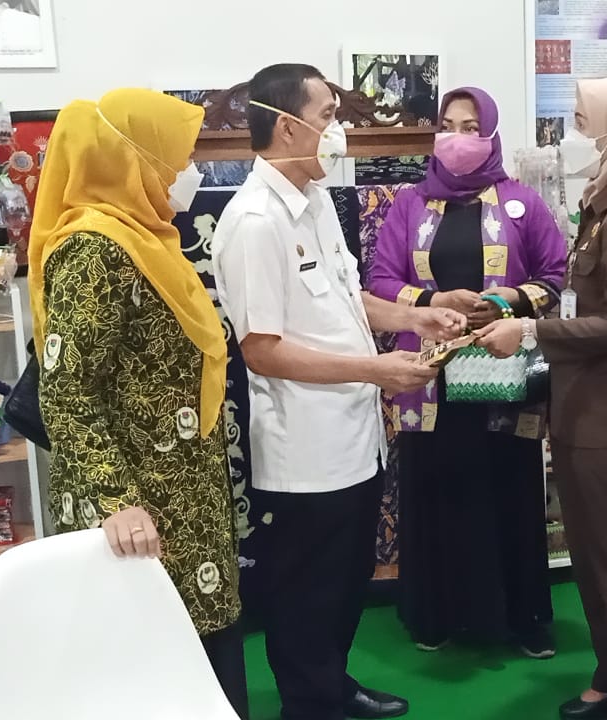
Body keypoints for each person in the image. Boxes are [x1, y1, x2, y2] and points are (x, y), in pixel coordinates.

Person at [211, 63, 466, 720]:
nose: (338, 130)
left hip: (354, 437)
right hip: (303, 450)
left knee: (347, 581)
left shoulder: (317, 200)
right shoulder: (255, 222)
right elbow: (261, 350)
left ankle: (332, 685)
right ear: (287, 126)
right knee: (307, 592)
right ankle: (309, 703)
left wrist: (415, 316)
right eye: (327, 116)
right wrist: (376, 371)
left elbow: (349, 297)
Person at [30, 88, 248, 718]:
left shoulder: (149, 241)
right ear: (135, 160)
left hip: (182, 493)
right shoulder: (95, 250)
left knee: (200, 653)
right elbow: (67, 390)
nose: (189, 174)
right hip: (137, 506)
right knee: (147, 659)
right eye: (178, 159)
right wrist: (117, 501)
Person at [477, 77, 607, 720]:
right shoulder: (605, 203)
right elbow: (583, 302)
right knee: (594, 563)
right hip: (580, 410)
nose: (575, 134)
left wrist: (530, 332)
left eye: (582, 120)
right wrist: (522, 307)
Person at [368, 87, 566, 657]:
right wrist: (433, 301)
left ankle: (521, 618)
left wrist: (507, 299)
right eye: (449, 125)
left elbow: (556, 275)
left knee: (508, 488)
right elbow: (380, 280)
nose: (458, 138)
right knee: (438, 490)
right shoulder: (409, 205)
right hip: (429, 377)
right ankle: (436, 616)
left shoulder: (521, 201)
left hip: (502, 371)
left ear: (492, 134)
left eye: (472, 127)